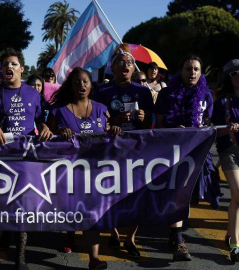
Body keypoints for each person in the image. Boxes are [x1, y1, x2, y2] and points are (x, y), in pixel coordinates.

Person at [0, 48, 53, 270]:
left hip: (27, 157)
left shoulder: (33, 93)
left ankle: (20, 257)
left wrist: (45, 127)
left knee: (23, 203)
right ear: (1, 70)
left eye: (13, 64)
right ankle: (7, 231)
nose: (8, 67)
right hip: (1, 158)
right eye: (4, 65)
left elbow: (40, 120)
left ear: (21, 68)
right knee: (6, 200)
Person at [47, 67, 121, 270]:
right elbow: (46, 135)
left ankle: (94, 258)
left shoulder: (101, 108)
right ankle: (69, 236)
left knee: (91, 213)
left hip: (95, 172)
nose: (82, 85)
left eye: (86, 82)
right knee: (71, 210)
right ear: (70, 85)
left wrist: (114, 129)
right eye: (77, 82)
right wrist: (59, 131)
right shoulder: (59, 110)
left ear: (91, 85)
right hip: (67, 172)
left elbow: (108, 131)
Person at [93, 43, 154, 259]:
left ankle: (131, 238)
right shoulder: (102, 91)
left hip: (137, 151)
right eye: (121, 62)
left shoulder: (143, 91)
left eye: (129, 63)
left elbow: (152, 124)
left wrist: (144, 117)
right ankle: (114, 232)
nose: (125, 66)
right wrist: (114, 122)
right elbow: (96, 121)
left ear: (133, 67)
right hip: (110, 150)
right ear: (113, 67)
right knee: (110, 194)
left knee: (136, 195)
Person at [155, 55, 215, 261]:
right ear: (180, 71)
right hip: (170, 152)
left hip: (196, 153)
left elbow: (209, 123)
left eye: (197, 69)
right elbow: (159, 124)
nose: (193, 73)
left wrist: (202, 128)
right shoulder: (166, 93)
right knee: (177, 193)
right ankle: (178, 240)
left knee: (187, 196)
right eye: (188, 69)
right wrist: (174, 130)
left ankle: (174, 234)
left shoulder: (206, 95)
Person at [211, 59, 239, 263]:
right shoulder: (223, 103)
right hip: (231, 152)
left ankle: (229, 232)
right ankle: (235, 244)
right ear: (228, 78)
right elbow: (214, 131)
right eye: (234, 73)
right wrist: (227, 128)